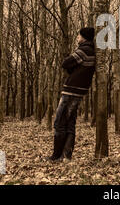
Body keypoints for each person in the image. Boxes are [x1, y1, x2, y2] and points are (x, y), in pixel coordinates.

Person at [46, 27, 96, 162]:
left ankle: (56, 156)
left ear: (84, 37)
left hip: (71, 90)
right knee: (70, 124)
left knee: (59, 122)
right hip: (79, 91)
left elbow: (65, 63)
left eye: (79, 35)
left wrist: (71, 69)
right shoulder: (91, 51)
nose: (77, 38)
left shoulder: (83, 50)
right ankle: (66, 156)